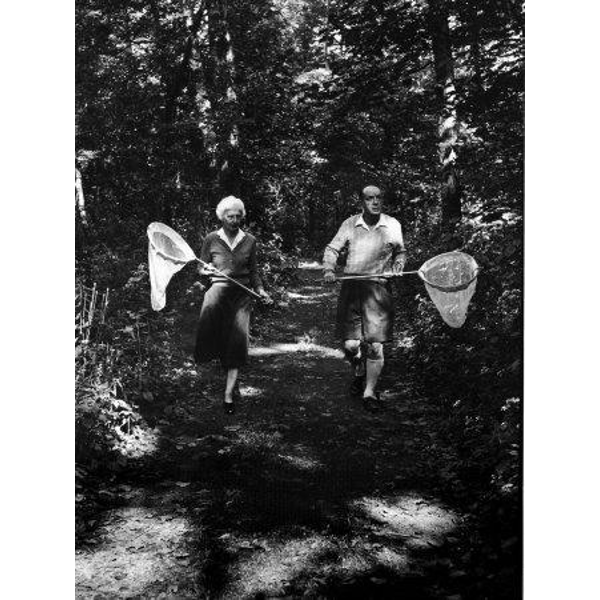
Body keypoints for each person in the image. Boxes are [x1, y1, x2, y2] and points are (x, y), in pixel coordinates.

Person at [323, 185, 406, 411]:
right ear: (362, 202)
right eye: (370, 198)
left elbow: (400, 252)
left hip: (379, 288)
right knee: (350, 345)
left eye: (379, 198)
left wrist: (398, 264)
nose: (375, 202)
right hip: (351, 288)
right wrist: (329, 269)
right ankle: (359, 371)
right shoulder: (350, 224)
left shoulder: (392, 224)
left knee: (375, 345)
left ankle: (369, 393)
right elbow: (332, 249)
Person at [194, 196, 271, 414]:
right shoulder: (211, 238)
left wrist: (260, 290)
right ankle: (227, 374)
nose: (235, 220)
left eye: (238, 216)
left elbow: (254, 271)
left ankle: (228, 395)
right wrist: (205, 270)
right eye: (230, 216)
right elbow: (200, 267)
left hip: (241, 297)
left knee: (236, 344)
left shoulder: (250, 240)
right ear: (222, 217)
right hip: (216, 295)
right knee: (214, 340)